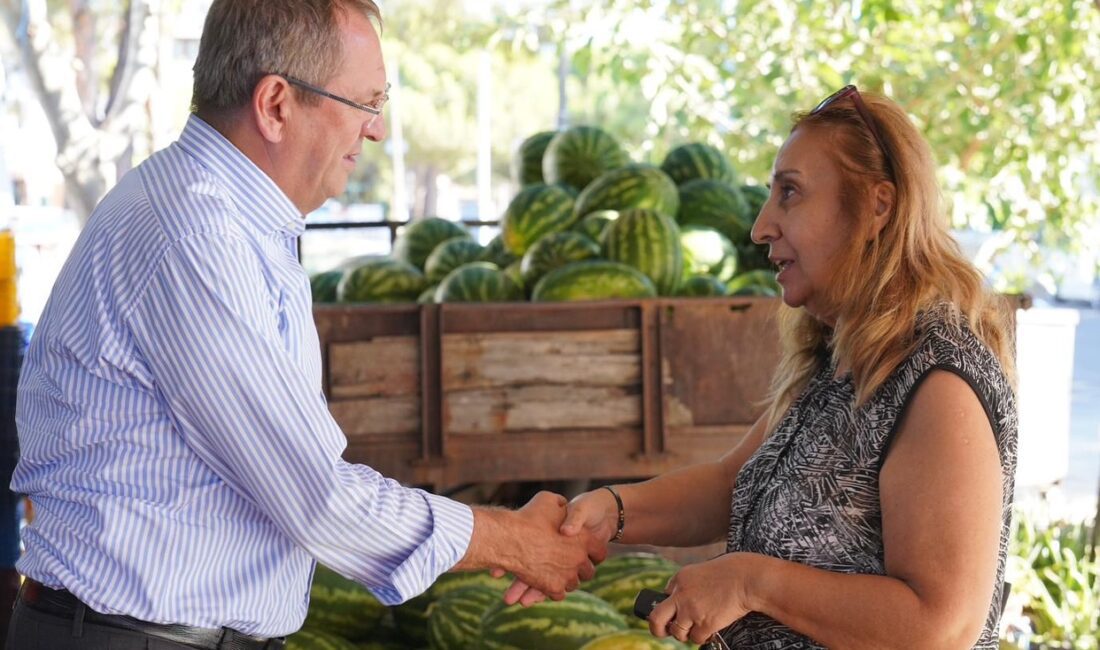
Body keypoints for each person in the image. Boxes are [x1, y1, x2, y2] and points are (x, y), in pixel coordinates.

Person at [6, 1, 602, 648]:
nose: (377, 131)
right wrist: (512, 540)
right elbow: (316, 497)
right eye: (366, 103)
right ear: (276, 105)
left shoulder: (236, 221)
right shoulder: (195, 236)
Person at [543, 86, 1018, 649]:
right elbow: (731, 485)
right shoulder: (841, 355)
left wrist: (750, 583)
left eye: (789, 194)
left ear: (876, 207)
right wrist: (610, 511)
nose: (761, 226)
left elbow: (941, 626)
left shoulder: (937, 380)